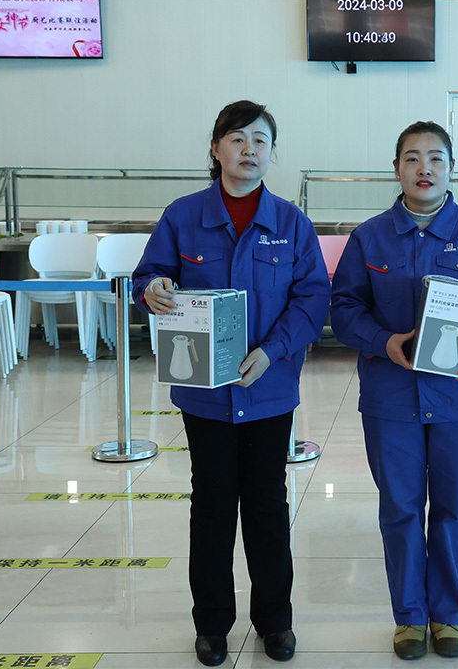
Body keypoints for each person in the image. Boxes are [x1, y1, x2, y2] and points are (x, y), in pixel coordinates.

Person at [132, 100, 329, 667]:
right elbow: (149, 276)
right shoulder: (183, 216)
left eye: (260, 140)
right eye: (238, 138)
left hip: (269, 388)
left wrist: (273, 351)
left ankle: (275, 621)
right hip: (204, 392)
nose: (249, 149)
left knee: (267, 503)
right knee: (212, 504)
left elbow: (313, 296)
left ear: (271, 153)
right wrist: (153, 288)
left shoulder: (290, 222)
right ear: (216, 148)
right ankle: (212, 625)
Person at [331, 121, 458, 660]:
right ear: (396, 168)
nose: (424, 169)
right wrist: (383, 341)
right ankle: (410, 617)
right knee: (400, 508)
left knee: (455, 509)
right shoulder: (370, 237)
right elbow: (343, 308)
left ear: (451, 168)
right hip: (391, 398)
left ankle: (449, 616)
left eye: (436, 158)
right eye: (412, 158)